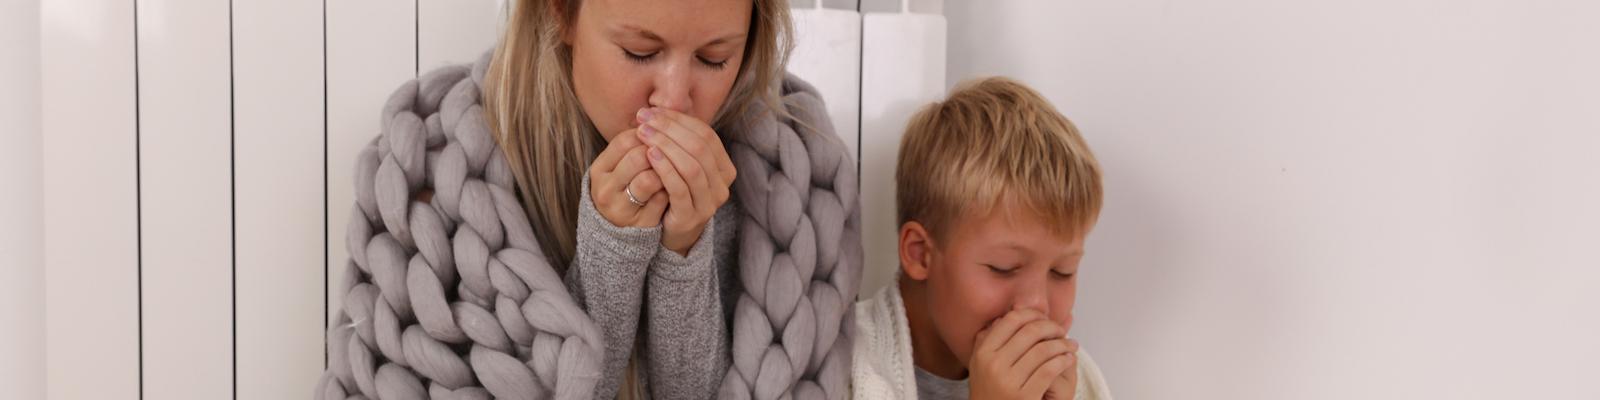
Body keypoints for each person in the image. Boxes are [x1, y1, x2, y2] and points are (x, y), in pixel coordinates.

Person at [852, 77, 1113, 400]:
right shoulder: (839, 366)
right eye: (1004, 268)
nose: (1037, 303)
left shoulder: (1075, 380)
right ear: (920, 253)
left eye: (1063, 271)